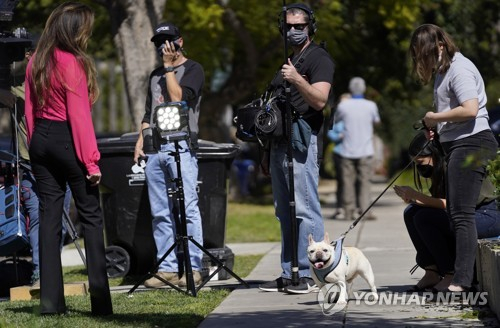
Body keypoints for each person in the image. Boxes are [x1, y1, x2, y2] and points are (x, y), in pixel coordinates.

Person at [24, 2, 112, 315]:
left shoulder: (36, 59)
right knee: (91, 216)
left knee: (49, 219)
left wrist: (36, 146)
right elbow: (79, 117)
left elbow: (29, 111)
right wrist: (91, 162)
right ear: (74, 30)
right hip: (67, 140)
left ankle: (50, 304)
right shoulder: (71, 62)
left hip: (40, 142)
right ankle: (101, 302)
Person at [409, 24, 498, 293]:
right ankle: (453, 276)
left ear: (440, 46)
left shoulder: (459, 68)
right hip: (460, 142)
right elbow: (456, 112)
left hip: (473, 144)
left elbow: (470, 110)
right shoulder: (444, 70)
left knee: (461, 214)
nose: (421, 60)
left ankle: (461, 281)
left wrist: (435, 117)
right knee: (458, 214)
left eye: (423, 53)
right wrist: (439, 128)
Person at [258, 3, 334, 294]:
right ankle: (289, 270)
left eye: (299, 26)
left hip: (303, 141)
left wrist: (297, 78)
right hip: (279, 144)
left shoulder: (319, 59)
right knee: (284, 212)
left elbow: (320, 101)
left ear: (310, 27)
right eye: (288, 26)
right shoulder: (289, 61)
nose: (293, 31)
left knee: (305, 208)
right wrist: (264, 154)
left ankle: (312, 273)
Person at [133, 22, 205, 288]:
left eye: (168, 41)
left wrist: (170, 68)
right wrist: (141, 139)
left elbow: (178, 100)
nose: (163, 47)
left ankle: (194, 268)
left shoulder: (193, 69)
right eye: (158, 43)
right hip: (155, 148)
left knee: (187, 208)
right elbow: (148, 112)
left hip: (182, 146)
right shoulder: (154, 75)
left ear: (180, 42)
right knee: (160, 211)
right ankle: (168, 269)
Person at [0, 51, 72, 290]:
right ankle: (42, 273)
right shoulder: (20, 85)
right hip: (31, 162)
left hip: (61, 162)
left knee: (58, 220)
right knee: (39, 218)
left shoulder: (59, 79)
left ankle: (50, 271)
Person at [394, 132, 500, 292]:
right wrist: (415, 200)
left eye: (421, 163)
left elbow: (456, 205)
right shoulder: (440, 169)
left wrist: (418, 196)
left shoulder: (456, 165)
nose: (420, 168)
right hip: (468, 215)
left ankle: (451, 273)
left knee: (425, 217)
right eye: (415, 164)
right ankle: (432, 272)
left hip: (487, 215)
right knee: (411, 212)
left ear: (435, 154)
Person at [335, 77, 381, 221]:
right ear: (364, 89)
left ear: (350, 89)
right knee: (365, 182)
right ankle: (365, 211)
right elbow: (377, 122)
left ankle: (348, 211)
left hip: (347, 149)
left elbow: (337, 121)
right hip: (366, 150)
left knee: (347, 182)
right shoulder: (371, 105)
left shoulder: (343, 106)